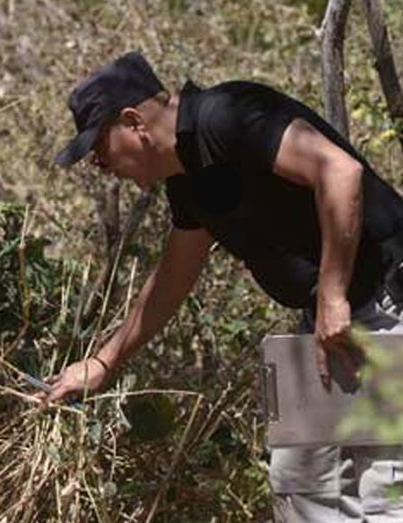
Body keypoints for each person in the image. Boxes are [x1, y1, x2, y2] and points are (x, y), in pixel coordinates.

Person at [42, 51, 403, 522]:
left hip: (385, 302)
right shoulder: (188, 179)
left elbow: (339, 171)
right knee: (301, 486)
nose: (100, 166)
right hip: (327, 325)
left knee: (385, 491)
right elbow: (176, 272)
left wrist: (332, 294)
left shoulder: (228, 116)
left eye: (101, 151)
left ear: (134, 122)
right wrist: (104, 362)